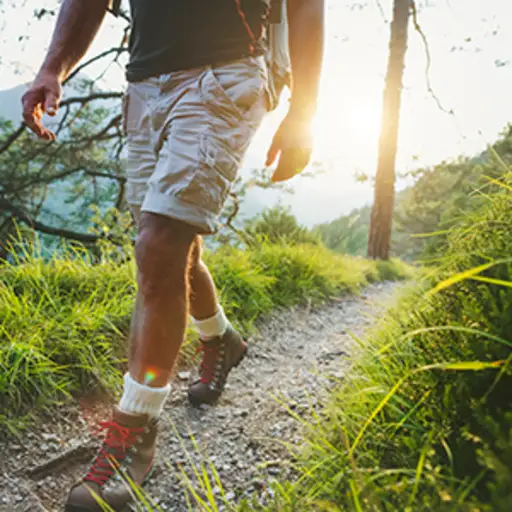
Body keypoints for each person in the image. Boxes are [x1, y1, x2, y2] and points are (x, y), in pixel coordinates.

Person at [21, 0, 325, 510]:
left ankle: (133, 432)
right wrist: (52, 66)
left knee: (159, 245)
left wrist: (305, 110)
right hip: (144, 84)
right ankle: (220, 338)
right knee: (167, 247)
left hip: (226, 73)